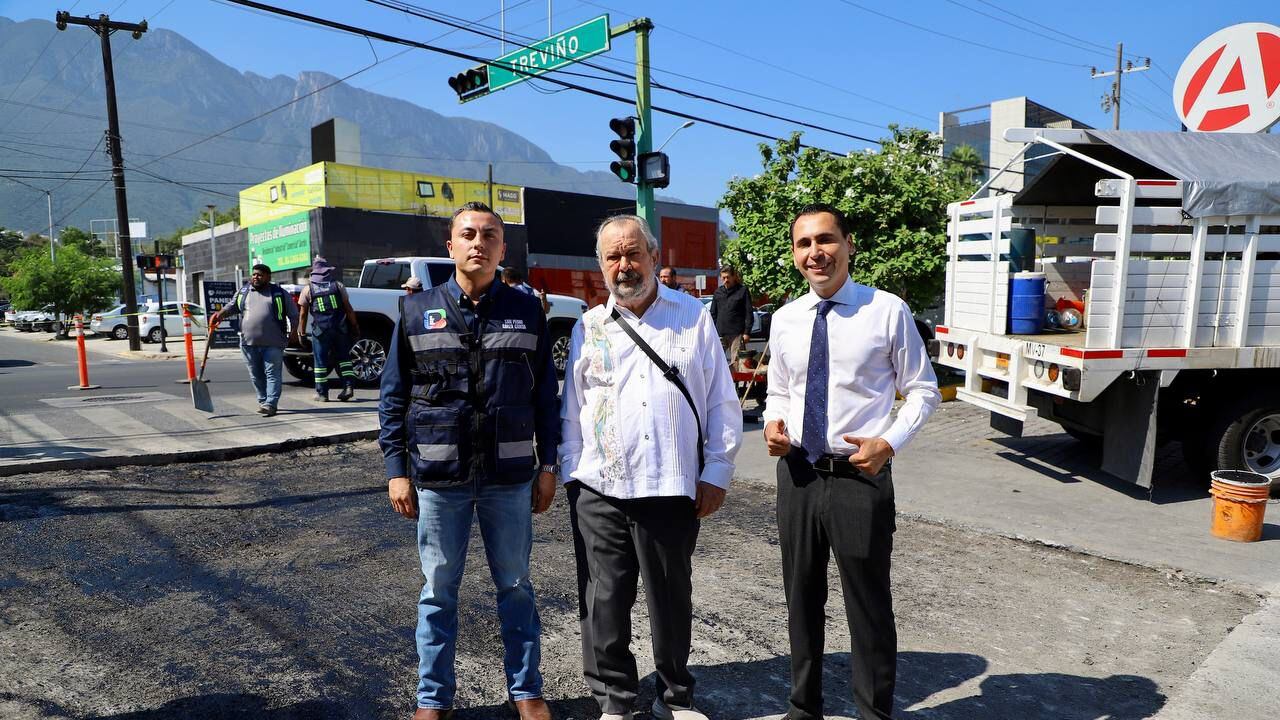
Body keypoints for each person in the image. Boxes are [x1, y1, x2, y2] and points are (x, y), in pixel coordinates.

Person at [379, 202, 560, 720]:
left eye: (490, 236)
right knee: (438, 593)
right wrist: (397, 472)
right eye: (468, 234)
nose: (478, 243)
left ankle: (526, 691)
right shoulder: (416, 312)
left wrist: (548, 466)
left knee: (517, 587)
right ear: (450, 246)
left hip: (509, 477)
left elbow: (547, 395)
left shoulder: (527, 311)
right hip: (440, 479)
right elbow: (393, 397)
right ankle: (433, 700)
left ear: (503, 249)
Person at [560, 214, 742, 720]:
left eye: (632, 253)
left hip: (670, 483)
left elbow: (721, 402)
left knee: (670, 598)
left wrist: (717, 471)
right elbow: (572, 410)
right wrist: (574, 473)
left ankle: (675, 698)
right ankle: (614, 701)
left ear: (654, 257)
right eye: (612, 257)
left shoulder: (692, 317)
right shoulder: (589, 327)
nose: (624, 265)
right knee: (605, 601)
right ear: (601, 266)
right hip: (601, 487)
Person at [763, 203, 941, 720]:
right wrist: (775, 425)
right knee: (801, 599)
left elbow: (924, 391)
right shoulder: (785, 318)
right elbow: (780, 391)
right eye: (803, 244)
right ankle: (804, 708)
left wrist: (889, 442)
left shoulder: (886, 311)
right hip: (797, 474)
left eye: (825, 240)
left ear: (847, 245)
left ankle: (873, 713)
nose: (815, 253)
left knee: (867, 605)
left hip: (859, 476)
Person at [209, 263, 299, 417]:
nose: (256, 277)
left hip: (274, 342)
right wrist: (219, 315)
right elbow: (231, 307)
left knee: (272, 374)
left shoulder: (279, 293)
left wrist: (294, 333)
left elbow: (293, 314)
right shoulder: (244, 291)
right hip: (248, 342)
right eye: (254, 274)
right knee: (255, 374)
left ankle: (271, 403)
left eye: (260, 275)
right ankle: (263, 400)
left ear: (268, 277)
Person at [297, 257, 361, 402]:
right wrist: (355, 327)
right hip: (340, 328)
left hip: (320, 331)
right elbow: (348, 309)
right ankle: (348, 387)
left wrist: (301, 332)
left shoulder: (308, 289)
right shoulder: (338, 285)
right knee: (344, 359)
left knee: (320, 362)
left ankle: (322, 394)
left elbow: (303, 314)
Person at [708, 266, 753, 362]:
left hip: (737, 334)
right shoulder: (718, 292)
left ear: (733, 277)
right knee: (715, 361)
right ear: (720, 278)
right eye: (723, 278)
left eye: (728, 277)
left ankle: (736, 378)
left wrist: (747, 332)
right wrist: (712, 331)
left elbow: (749, 312)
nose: (726, 280)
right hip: (720, 333)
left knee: (737, 363)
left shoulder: (742, 291)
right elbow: (713, 313)